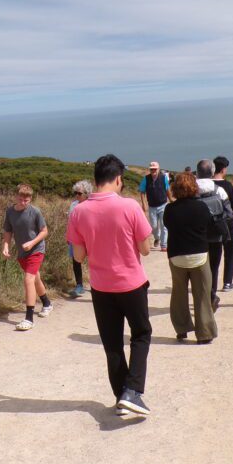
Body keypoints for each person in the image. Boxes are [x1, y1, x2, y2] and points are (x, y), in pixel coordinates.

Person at [67, 154, 154, 417]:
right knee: (141, 334)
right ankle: (133, 391)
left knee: (112, 343)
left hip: (101, 287)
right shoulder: (129, 207)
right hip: (131, 283)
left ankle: (122, 395)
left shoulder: (79, 211)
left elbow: (78, 257)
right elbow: (146, 249)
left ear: (95, 180)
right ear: (118, 179)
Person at [163, 173, 218, 344]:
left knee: (179, 293)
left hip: (176, 256)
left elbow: (167, 225)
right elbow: (210, 226)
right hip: (199, 255)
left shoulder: (169, 209)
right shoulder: (201, 207)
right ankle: (204, 334)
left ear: (175, 189)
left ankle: (181, 329)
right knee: (201, 294)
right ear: (194, 187)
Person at [3, 183, 52, 331]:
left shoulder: (35, 212)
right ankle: (47, 303)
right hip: (22, 251)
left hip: (36, 249)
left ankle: (29, 318)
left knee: (28, 279)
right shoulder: (10, 212)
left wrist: (32, 242)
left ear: (30, 199)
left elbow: (44, 231)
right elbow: (7, 231)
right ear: (16, 196)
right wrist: (6, 246)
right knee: (35, 278)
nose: (23, 202)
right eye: (21, 199)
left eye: (26, 200)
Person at [194, 159, 231, 310]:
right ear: (211, 172)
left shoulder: (191, 191)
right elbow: (229, 214)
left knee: (198, 270)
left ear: (197, 173)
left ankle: (201, 297)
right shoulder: (219, 191)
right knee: (213, 268)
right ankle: (211, 296)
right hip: (215, 236)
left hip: (196, 237)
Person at [210, 156, 233, 291]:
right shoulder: (227, 185)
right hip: (227, 223)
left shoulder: (207, 185)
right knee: (230, 252)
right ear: (223, 169)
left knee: (213, 257)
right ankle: (227, 282)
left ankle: (211, 285)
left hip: (210, 224)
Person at [138, 161, 170, 251]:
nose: (153, 171)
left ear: (158, 169)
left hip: (163, 204)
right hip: (152, 206)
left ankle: (164, 245)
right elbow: (142, 191)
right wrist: (144, 203)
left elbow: (168, 190)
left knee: (164, 225)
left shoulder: (163, 178)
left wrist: (171, 200)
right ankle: (157, 237)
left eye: (155, 169)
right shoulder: (146, 179)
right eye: (151, 169)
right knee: (154, 226)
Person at [67, 179, 92, 297]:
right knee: (76, 261)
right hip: (76, 239)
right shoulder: (73, 205)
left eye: (79, 193)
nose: (77, 195)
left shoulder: (93, 205)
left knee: (93, 261)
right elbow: (70, 222)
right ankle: (79, 286)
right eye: (75, 193)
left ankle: (97, 285)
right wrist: (69, 237)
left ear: (87, 194)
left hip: (90, 238)